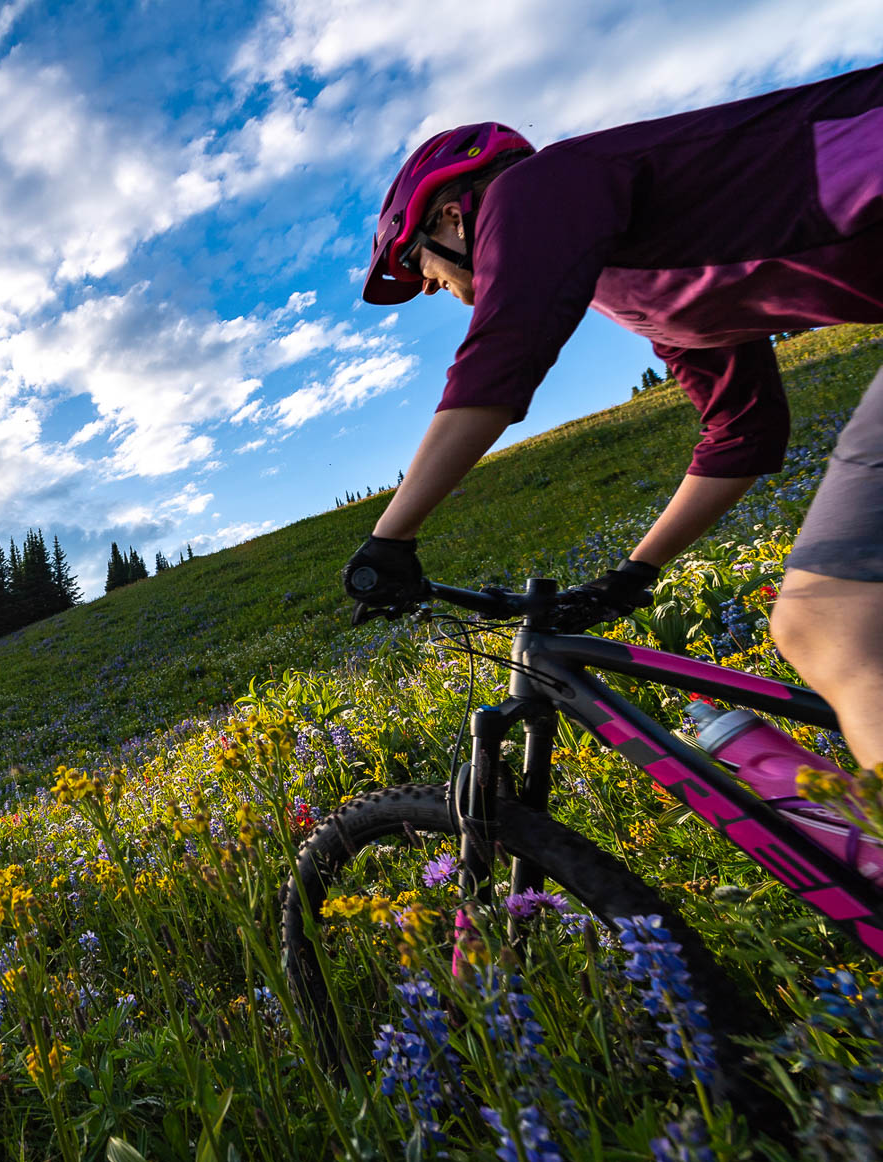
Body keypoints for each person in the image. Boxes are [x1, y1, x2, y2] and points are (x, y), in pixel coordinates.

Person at [342, 65, 883, 771]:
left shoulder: (533, 188)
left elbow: (502, 356)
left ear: (450, 216)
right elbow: (742, 434)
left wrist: (389, 538)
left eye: (424, 268)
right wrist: (631, 575)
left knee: (825, 620)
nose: (438, 289)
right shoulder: (644, 282)